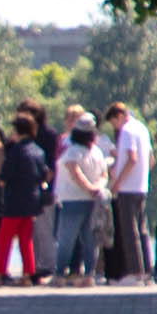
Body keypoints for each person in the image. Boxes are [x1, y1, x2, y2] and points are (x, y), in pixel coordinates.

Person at [101, 94, 155, 281]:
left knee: (129, 231)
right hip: (142, 186)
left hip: (127, 188)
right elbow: (150, 160)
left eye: (113, 123)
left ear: (118, 116)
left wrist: (117, 183)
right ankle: (148, 271)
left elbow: (131, 159)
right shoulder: (142, 128)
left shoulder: (127, 131)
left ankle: (135, 272)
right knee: (142, 230)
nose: (115, 128)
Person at [0, 109, 49, 280]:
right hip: (32, 201)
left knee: (4, 239)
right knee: (26, 240)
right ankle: (27, 273)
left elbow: (3, 177)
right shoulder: (38, 151)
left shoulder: (16, 151)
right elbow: (44, 175)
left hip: (14, 202)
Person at [49, 115, 105, 279]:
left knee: (66, 240)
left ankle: (59, 274)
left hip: (72, 200)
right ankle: (89, 273)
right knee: (89, 239)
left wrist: (88, 188)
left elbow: (74, 172)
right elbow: (104, 174)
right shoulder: (97, 152)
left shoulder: (72, 151)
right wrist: (96, 188)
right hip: (92, 200)